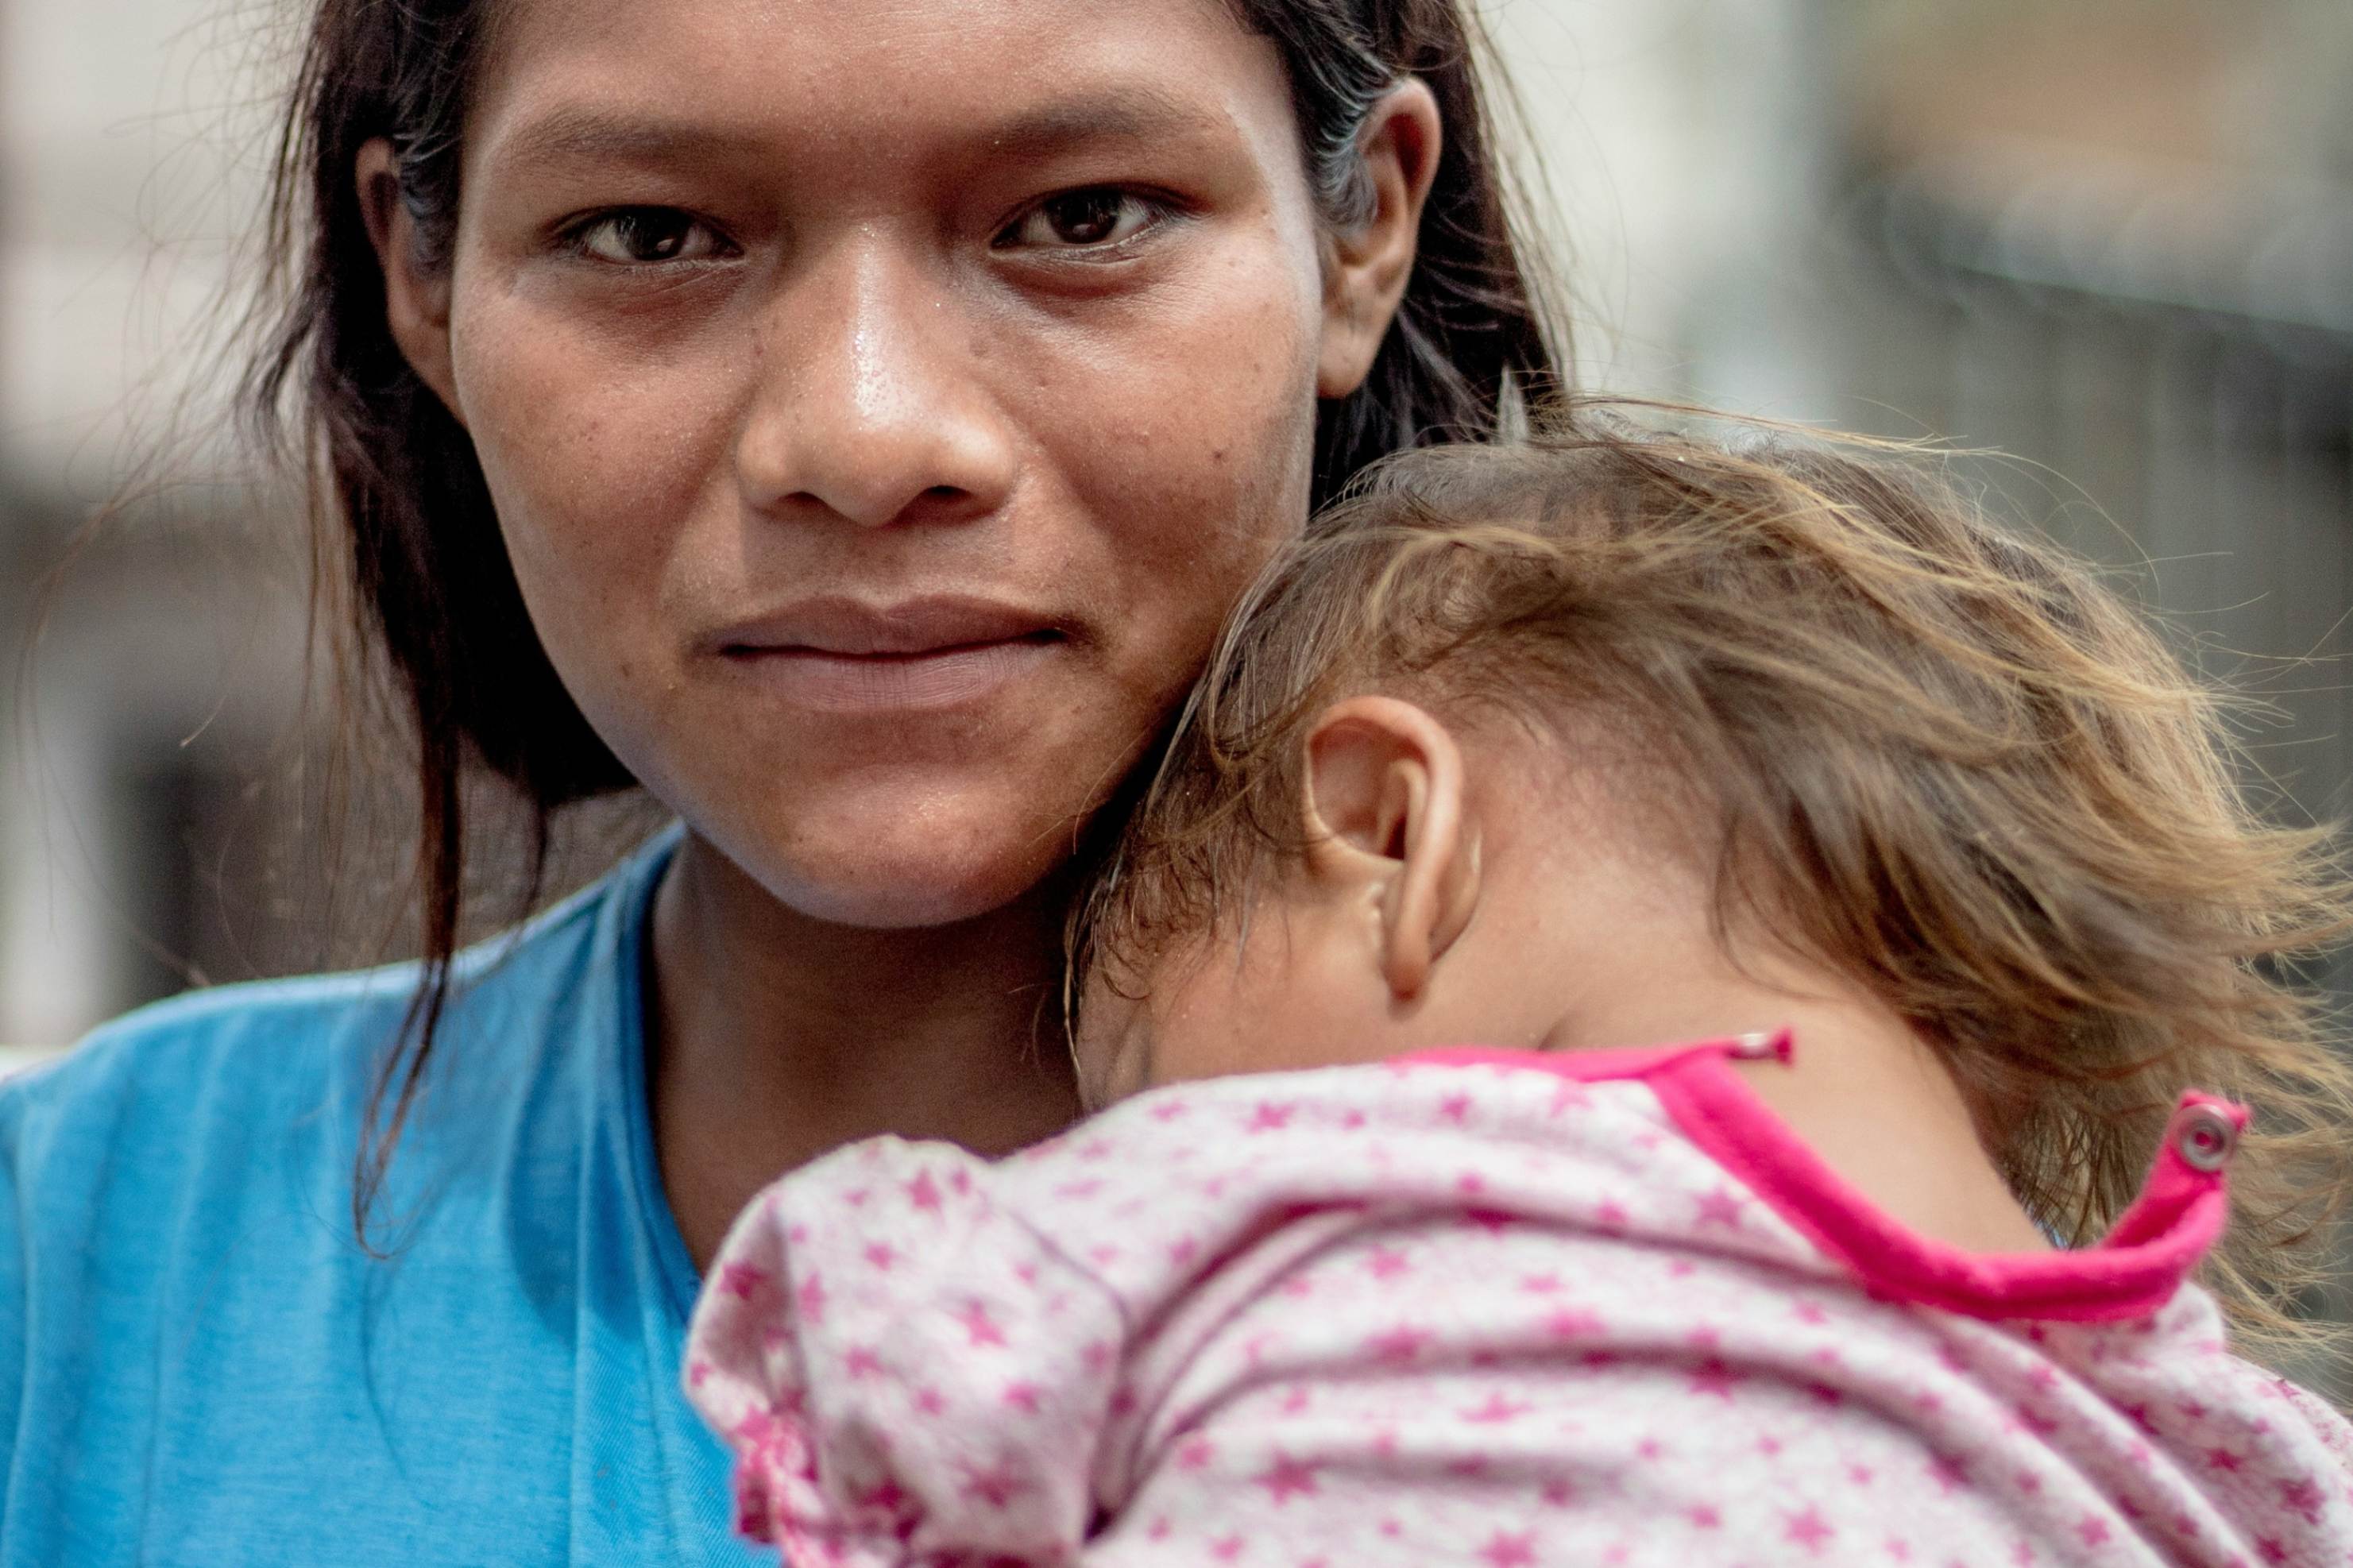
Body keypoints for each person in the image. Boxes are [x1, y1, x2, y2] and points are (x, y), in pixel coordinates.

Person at [0, 1, 1563, 1560]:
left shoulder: (1742, 1223)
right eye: (648, 235)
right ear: (421, 269)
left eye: (1077, 219)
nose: (865, 436)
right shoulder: (70, 1266)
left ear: (1362, 221)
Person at [685, 412, 2353, 1566]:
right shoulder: (2208, 1440)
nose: (1120, 1129)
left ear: (1389, 835)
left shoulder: (1284, 1186)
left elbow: (887, 1361)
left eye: (1140, 1068)